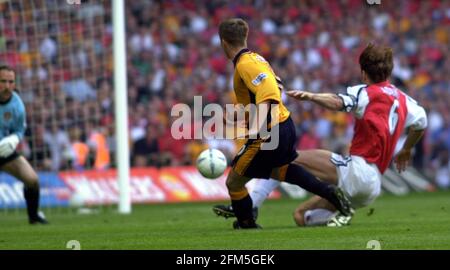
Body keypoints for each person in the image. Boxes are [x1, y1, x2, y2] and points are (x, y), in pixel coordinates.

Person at [213, 43, 428, 227]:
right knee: (301, 217)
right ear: (389, 71)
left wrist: (311, 96)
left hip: (357, 171)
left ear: (363, 72)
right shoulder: (404, 100)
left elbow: (339, 102)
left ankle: (251, 207)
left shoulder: (366, 92)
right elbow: (421, 123)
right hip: (372, 187)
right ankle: (343, 213)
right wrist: (407, 149)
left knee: (288, 159)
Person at [217, 18, 352, 229]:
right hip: (284, 124)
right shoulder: (256, 59)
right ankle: (329, 192)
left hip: (270, 131)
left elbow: (269, 94)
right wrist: (240, 117)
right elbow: (269, 92)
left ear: (223, 43)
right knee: (280, 170)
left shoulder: (246, 64)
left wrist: (254, 127)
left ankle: (246, 222)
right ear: (246, 36)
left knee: (233, 181)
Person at [0, 65, 48, 224]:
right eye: (3, 81)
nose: (7, 86)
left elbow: (19, 130)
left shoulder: (18, 105)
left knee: (32, 180)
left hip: (3, 151)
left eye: (10, 82)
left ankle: (33, 217)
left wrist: (14, 139)